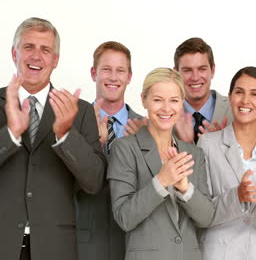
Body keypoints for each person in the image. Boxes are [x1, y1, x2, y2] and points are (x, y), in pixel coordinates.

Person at [0, 17, 106, 260]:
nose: (36, 56)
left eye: (45, 49)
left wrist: (66, 134)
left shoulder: (80, 111)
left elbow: (94, 182)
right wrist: (10, 134)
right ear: (14, 53)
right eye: (29, 47)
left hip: (54, 249)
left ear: (55, 60)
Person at [108, 68, 214, 260]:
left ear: (182, 103)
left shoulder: (194, 154)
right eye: (158, 100)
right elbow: (124, 217)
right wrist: (161, 181)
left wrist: (185, 187)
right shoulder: (124, 149)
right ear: (144, 100)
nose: (166, 108)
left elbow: (206, 218)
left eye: (174, 100)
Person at [197, 66, 256, 260]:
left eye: (255, 94)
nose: (245, 101)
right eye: (239, 92)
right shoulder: (208, 144)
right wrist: (236, 196)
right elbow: (200, 213)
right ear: (230, 96)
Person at [76, 41, 145, 260]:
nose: (113, 77)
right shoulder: (73, 122)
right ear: (93, 73)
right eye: (106, 69)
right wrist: (94, 144)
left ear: (129, 76)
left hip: (134, 241)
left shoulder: (146, 127)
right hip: (86, 243)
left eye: (120, 70)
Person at [173, 37, 233, 143]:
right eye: (187, 70)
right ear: (176, 74)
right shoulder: (165, 114)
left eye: (202, 69)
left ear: (213, 70)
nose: (195, 77)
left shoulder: (235, 110)